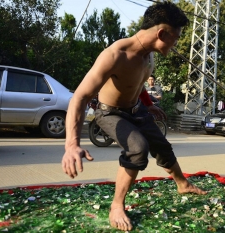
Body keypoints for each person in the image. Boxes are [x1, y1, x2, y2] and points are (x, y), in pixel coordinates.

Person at [61, 2, 206, 231]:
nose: (177, 43)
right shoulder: (115, 55)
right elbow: (79, 97)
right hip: (110, 112)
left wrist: (148, 104)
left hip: (137, 109)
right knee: (138, 148)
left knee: (162, 146)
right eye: (176, 37)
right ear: (161, 33)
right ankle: (117, 205)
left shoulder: (150, 55)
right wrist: (71, 144)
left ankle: (183, 184)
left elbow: (136, 83)